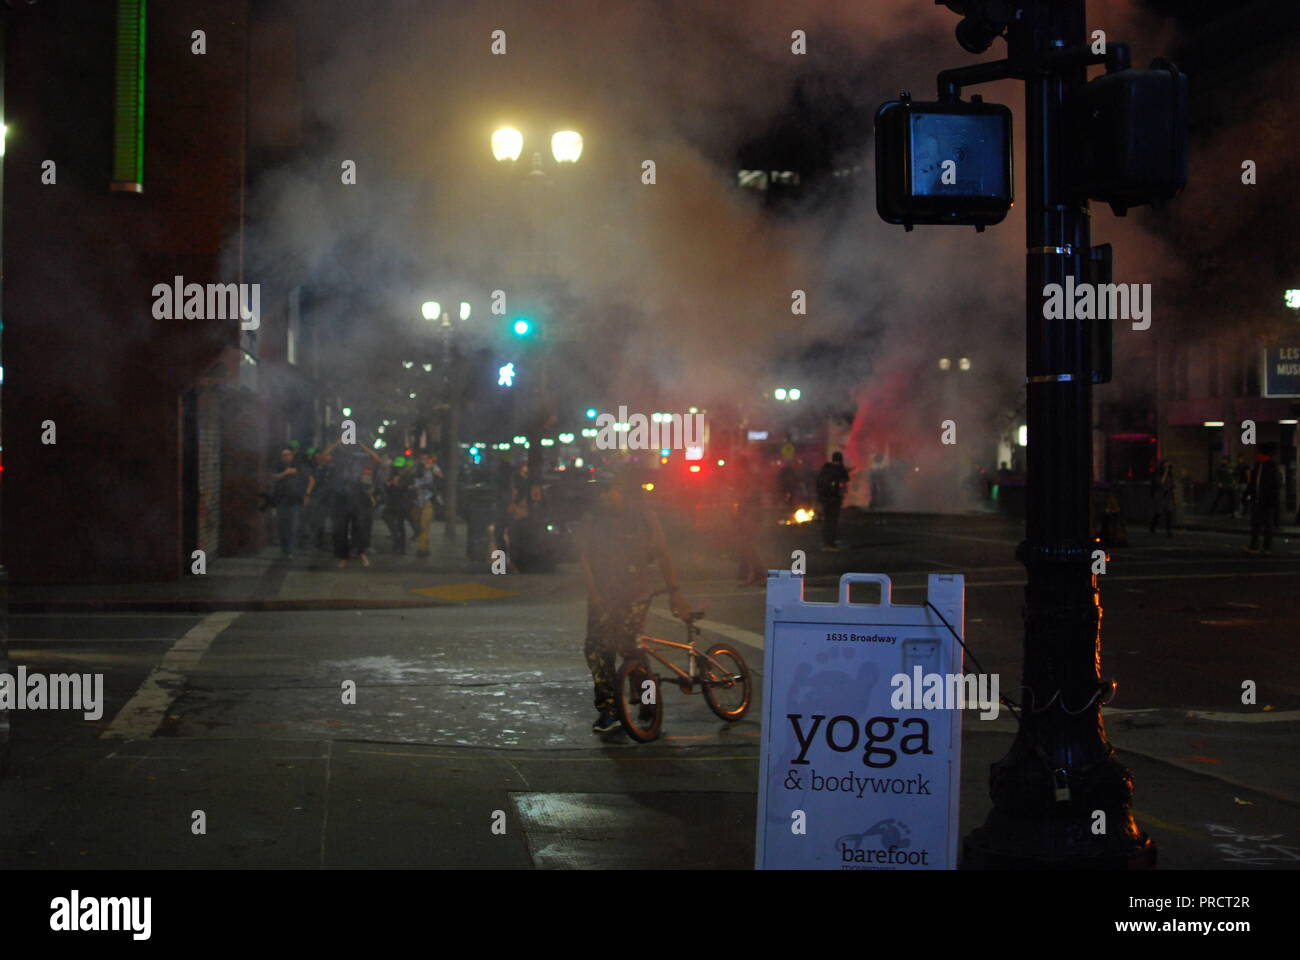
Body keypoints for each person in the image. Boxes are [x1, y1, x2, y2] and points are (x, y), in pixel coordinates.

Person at [576, 472, 693, 734]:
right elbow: (583, 557)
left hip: (636, 592)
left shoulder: (642, 515)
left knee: (629, 645)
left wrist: (675, 591)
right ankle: (608, 710)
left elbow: (662, 553)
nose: (602, 496)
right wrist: (594, 593)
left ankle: (647, 699)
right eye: (599, 491)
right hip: (604, 594)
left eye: (608, 490)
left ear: (620, 490)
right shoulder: (592, 518)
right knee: (596, 648)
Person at [324, 439, 383, 568]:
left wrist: (362, 445)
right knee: (340, 529)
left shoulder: (361, 460)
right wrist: (337, 442)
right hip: (341, 499)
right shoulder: (337, 461)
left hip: (358, 498)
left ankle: (360, 552)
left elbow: (377, 459)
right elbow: (324, 457)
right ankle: (343, 557)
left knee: (360, 527)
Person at [733, 455, 765, 585]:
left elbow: (748, 496)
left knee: (747, 543)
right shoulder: (749, 477)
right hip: (749, 513)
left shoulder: (747, 478)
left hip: (749, 514)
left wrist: (741, 501)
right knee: (746, 543)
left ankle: (754, 572)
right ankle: (751, 571)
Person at [270, 448, 307, 559]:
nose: (286, 457)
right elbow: (272, 477)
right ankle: (284, 548)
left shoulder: (298, 465)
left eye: (288, 454)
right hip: (281, 500)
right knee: (282, 526)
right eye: (284, 455)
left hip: (294, 500)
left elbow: (306, 479)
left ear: (292, 455)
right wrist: (285, 473)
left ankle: (290, 549)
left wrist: (305, 495)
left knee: (292, 526)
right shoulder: (278, 465)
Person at [1245, 443, 1280, 555]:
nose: (1256, 454)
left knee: (1267, 525)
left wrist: (1272, 500)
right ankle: (1254, 545)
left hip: (1267, 501)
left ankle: (1266, 547)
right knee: (1255, 524)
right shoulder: (1257, 465)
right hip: (1257, 500)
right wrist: (1247, 495)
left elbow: (1275, 485)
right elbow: (1252, 483)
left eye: (1258, 452)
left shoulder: (1271, 466)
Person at [815, 451, 851, 550]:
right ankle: (830, 544)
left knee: (827, 521)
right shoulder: (839, 469)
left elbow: (818, 482)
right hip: (834, 498)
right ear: (840, 460)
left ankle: (826, 542)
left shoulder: (825, 468)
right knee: (832, 521)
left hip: (824, 498)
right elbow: (843, 483)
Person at [383, 456, 415, 555]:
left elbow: (407, 489)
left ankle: (400, 547)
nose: (399, 470)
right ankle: (398, 543)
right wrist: (390, 483)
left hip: (400, 504)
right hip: (393, 504)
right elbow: (387, 489)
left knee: (400, 526)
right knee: (395, 524)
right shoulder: (392, 477)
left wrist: (397, 484)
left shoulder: (405, 478)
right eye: (398, 468)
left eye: (401, 468)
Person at [1149, 459, 1175, 535]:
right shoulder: (1158, 474)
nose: (1167, 467)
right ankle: (1152, 527)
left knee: (1169, 513)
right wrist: (1165, 472)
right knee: (1158, 513)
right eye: (1165, 465)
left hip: (1168, 496)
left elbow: (1172, 485)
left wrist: (1172, 495)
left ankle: (1169, 531)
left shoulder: (1170, 475)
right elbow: (1161, 482)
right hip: (1160, 496)